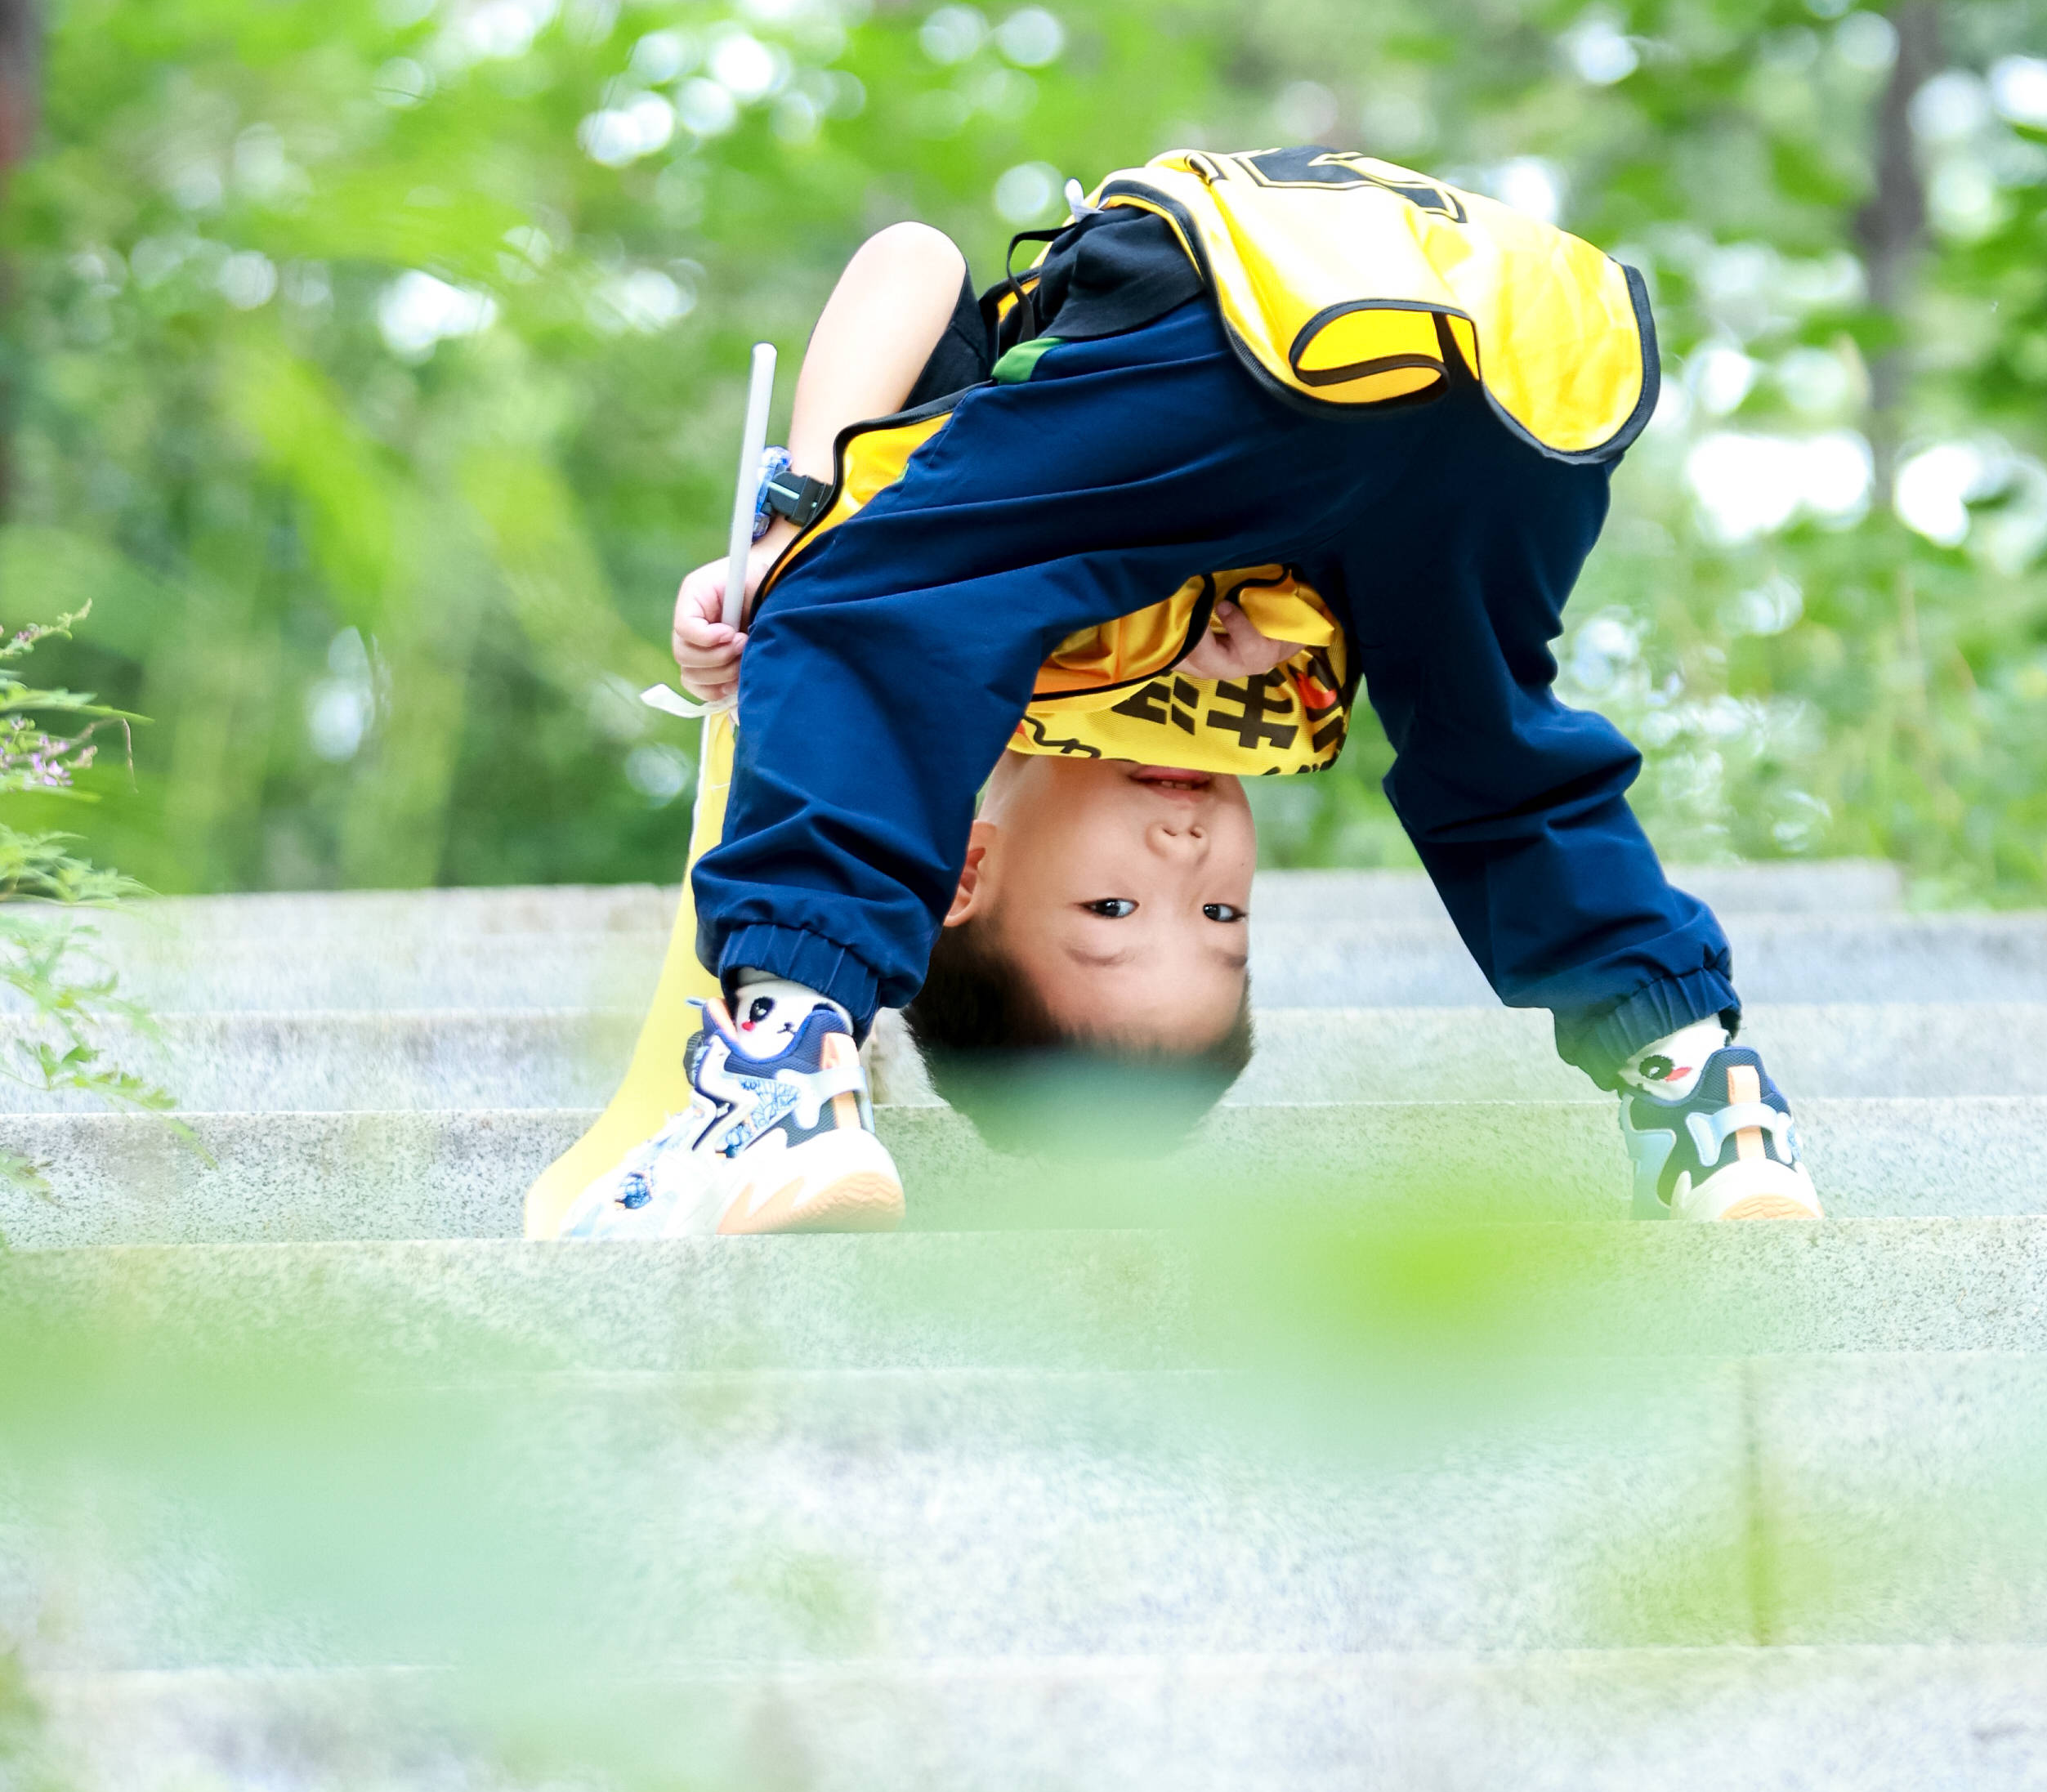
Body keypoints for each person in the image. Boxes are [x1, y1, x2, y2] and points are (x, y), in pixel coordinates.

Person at [544, 145, 1820, 1239]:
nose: (1184, 848)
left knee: (854, 611)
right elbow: (1263, 509)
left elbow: (913, 259)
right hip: (1524, 363)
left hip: (1244, 323)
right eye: (1221, 917)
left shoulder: (984, 608)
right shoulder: (1265, 656)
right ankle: (1700, 1086)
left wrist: (801, 522)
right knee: (1495, 751)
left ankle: (789, 1046)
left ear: (959, 877)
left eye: (1114, 905)